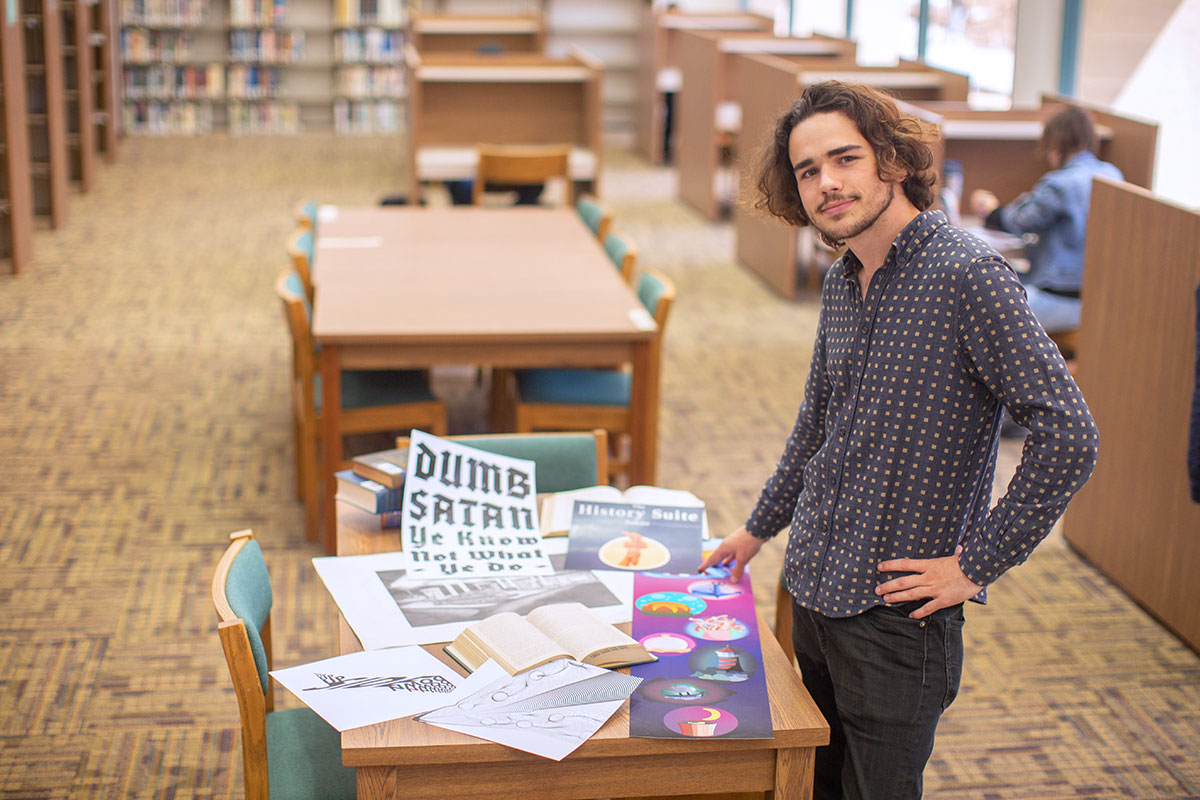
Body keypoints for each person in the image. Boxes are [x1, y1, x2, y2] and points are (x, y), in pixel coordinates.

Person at [698, 81, 1099, 800]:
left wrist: (976, 564)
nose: (828, 183)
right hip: (815, 590)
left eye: (844, 159)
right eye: (808, 171)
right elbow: (816, 428)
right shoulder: (844, 278)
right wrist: (755, 530)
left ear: (890, 159)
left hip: (896, 620)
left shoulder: (968, 277)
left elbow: (1069, 436)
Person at [970, 105, 1123, 334]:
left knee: (978, 312)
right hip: (1097, 301)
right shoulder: (1113, 175)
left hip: (1059, 298)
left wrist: (990, 208)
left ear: (1056, 144)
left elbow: (1017, 222)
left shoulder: (1059, 185)